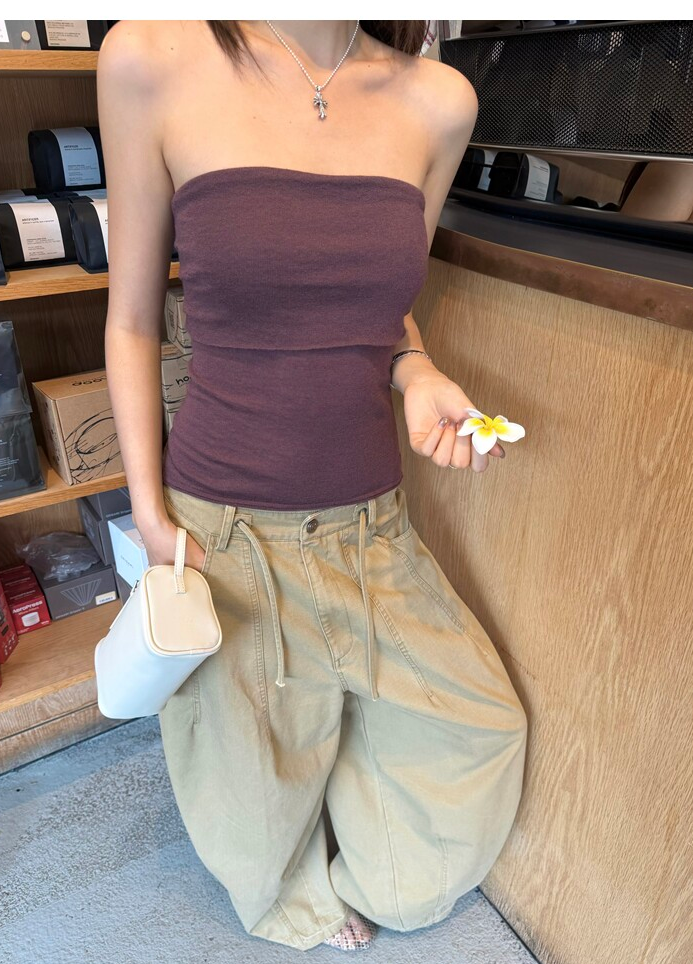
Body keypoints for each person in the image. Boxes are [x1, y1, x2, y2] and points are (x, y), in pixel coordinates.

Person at [98, 19, 528, 953]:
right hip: (226, 527)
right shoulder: (151, 56)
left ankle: (359, 855)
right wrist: (148, 512)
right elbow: (130, 320)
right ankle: (294, 881)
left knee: (474, 727)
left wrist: (418, 373)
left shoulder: (438, 100)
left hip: (371, 520)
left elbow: (385, 309)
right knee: (253, 796)